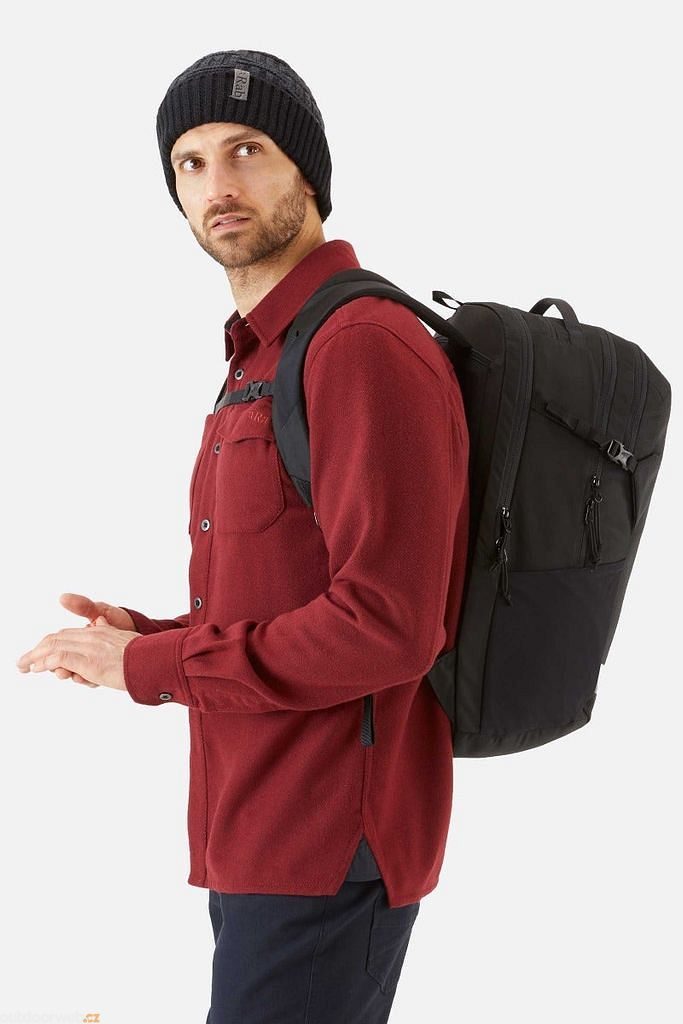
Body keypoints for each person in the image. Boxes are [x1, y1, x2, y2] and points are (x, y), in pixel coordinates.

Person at [16, 49, 470, 1022]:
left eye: (246, 150)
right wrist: (145, 636)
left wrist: (151, 666)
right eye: (189, 163)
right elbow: (288, 596)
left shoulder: (359, 345)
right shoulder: (264, 354)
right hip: (255, 827)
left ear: (308, 172)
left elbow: (388, 627)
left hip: (328, 837)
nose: (217, 184)